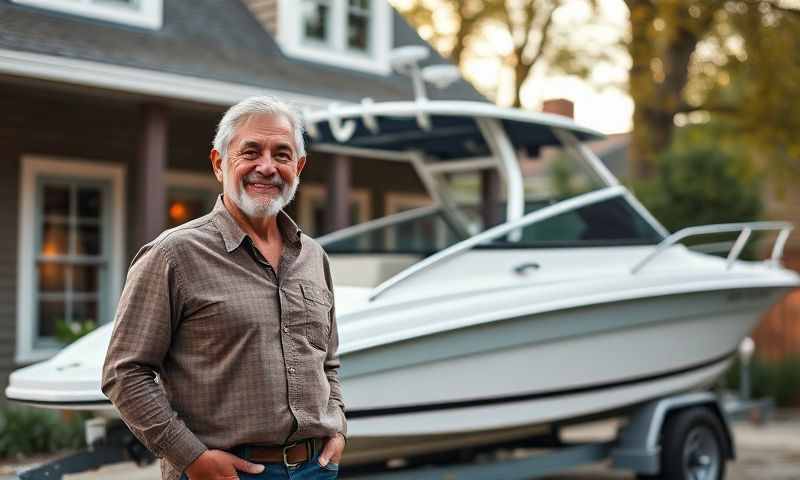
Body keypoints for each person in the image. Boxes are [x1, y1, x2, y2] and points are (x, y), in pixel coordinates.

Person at [101, 96, 347, 480]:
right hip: (223, 473)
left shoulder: (313, 256)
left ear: (297, 167)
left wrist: (338, 427)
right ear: (219, 163)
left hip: (316, 469)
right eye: (250, 151)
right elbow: (125, 373)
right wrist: (191, 458)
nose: (266, 167)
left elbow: (328, 362)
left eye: (281, 154)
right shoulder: (174, 254)